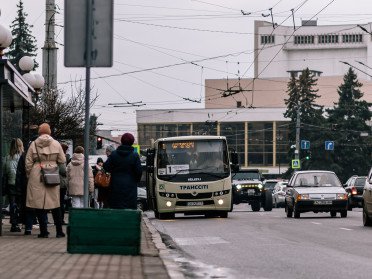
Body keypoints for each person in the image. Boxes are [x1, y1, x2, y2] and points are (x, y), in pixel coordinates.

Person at [25, 123, 66, 238]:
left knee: (39, 204)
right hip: (52, 172)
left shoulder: (34, 144)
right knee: (55, 203)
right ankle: (59, 231)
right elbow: (62, 160)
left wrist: (30, 174)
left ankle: (44, 232)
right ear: (49, 132)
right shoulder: (56, 143)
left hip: (37, 172)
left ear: (39, 132)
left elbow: (28, 162)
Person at [103, 133, 142, 209]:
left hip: (115, 186)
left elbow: (106, 167)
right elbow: (139, 171)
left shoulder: (114, 154)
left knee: (116, 209)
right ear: (132, 142)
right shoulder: (135, 155)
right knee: (129, 209)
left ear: (121, 141)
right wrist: (135, 181)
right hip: (130, 187)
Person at [4, 138, 24, 232]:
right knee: (19, 204)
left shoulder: (7, 157)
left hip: (10, 183)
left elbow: (5, 171)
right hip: (18, 183)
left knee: (12, 204)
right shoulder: (21, 157)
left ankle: (14, 223)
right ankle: (18, 223)